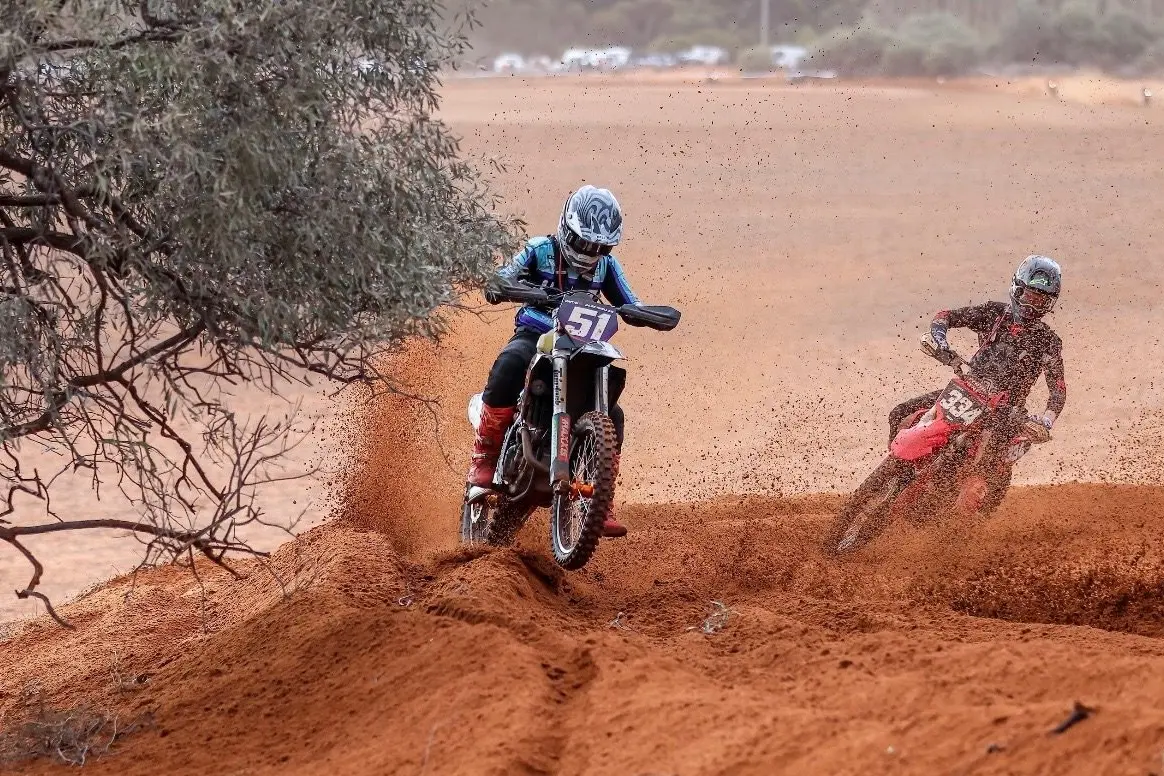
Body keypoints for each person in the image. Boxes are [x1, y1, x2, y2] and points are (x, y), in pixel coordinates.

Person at [467, 185, 640, 538]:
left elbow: (630, 301)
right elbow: (502, 278)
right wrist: (507, 286)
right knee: (510, 364)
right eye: (584, 243)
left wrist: (643, 313)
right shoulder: (539, 250)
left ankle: (601, 497)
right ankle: (483, 460)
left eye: (600, 247)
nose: (591, 252)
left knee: (615, 414)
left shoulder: (607, 267)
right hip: (538, 335)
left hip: (583, 345)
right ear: (567, 227)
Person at [887, 255, 1066, 501]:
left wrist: (1046, 421)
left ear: (1050, 304)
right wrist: (940, 341)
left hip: (1006, 412)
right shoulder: (994, 313)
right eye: (1030, 297)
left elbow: (1057, 391)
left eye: (1041, 301)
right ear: (1017, 288)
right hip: (965, 391)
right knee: (900, 413)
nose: (1032, 306)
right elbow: (945, 316)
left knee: (977, 468)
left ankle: (955, 503)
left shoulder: (1048, 342)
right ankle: (895, 475)